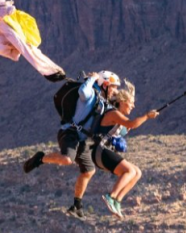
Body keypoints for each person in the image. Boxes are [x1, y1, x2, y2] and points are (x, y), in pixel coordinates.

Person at [23, 71, 120, 219]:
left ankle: (77, 205)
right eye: (113, 87)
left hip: (81, 140)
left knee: (88, 171)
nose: (115, 90)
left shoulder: (103, 102)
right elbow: (82, 91)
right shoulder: (91, 94)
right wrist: (93, 78)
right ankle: (40, 158)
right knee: (67, 159)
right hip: (69, 133)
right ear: (105, 84)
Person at [92, 80, 157, 218]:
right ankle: (111, 196)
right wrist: (146, 116)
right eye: (131, 103)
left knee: (137, 173)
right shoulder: (113, 114)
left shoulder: (118, 118)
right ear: (122, 101)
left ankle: (117, 201)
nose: (133, 106)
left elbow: (126, 127)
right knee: (129, 170)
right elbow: (132, 124)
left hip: (105, 152)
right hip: (101, 151)